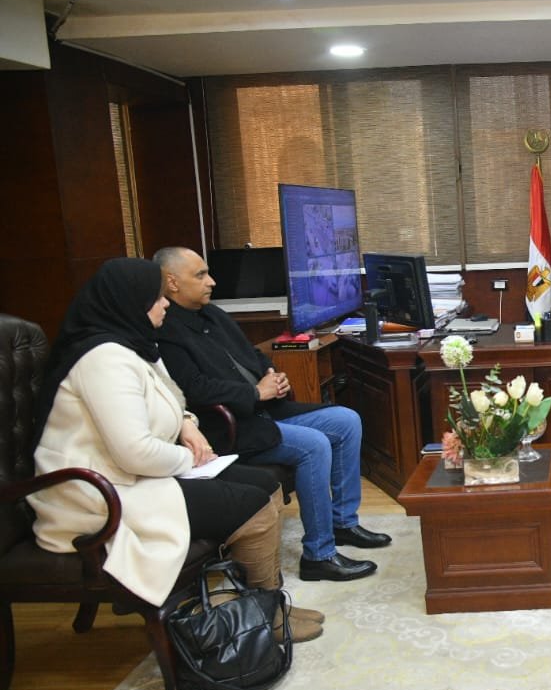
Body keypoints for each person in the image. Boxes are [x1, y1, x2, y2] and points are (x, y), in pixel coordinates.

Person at [27, 258, 322, 641]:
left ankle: (265, 604)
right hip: (99, 493)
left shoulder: (134, 346)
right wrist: (191, 458)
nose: (165, 303)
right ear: (130, 302)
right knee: (251, 504)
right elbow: (134, 452)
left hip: (136, 475)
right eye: (156, 297)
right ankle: (265, 617)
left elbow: (171, 396)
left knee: (266, 487)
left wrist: (185, 422)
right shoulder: (103, 360)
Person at [153, 246, 388, 583]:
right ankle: (319, 555)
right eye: (200, 275)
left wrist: (272, 376)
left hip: (266, 410)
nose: (212, 281)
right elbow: (194, 390)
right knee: (314, 445)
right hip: (229, 426)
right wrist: (254, 393)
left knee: (347, 420)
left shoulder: (212, 313)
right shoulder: (165, 330)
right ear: (172, 282)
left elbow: (252, 354)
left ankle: (343, 523)